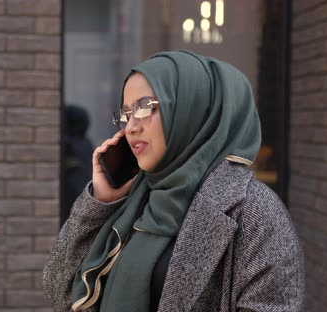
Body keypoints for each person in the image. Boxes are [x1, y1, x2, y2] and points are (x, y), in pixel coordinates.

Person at [43, 51, 305, 312]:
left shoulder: (253, 211)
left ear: (190, 109)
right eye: (126, 114)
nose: (131, 126)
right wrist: (99, 204)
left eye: (144, 107)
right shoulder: (132, 200)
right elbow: (59, 292)